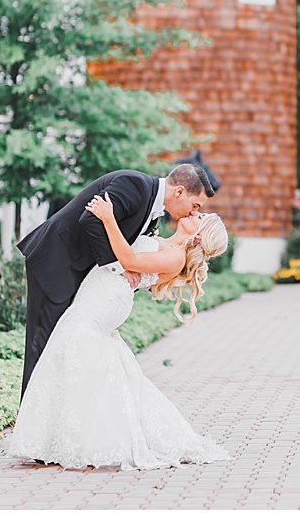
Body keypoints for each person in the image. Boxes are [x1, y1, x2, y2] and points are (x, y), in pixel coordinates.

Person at [8, 197, 231, 470]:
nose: (193, 213)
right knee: (85, 353)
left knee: (77, 342)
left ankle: (75, 438)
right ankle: (61, 434)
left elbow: (128, 258)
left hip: (108, 298)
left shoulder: (176, 256)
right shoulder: (167, 243)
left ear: (199, 235)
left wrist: (108, 216)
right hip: (104, 289)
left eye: (199, 218)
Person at [17, 164, 214, 397]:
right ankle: (29, 423)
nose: (192, 212)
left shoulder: (153, 211)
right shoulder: (134, 185)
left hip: (80, 275)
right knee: (42, 345)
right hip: (56, 262)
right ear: (179, 192)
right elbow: (90, 219)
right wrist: (120, 267)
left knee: (61, 348)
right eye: (195, 206)